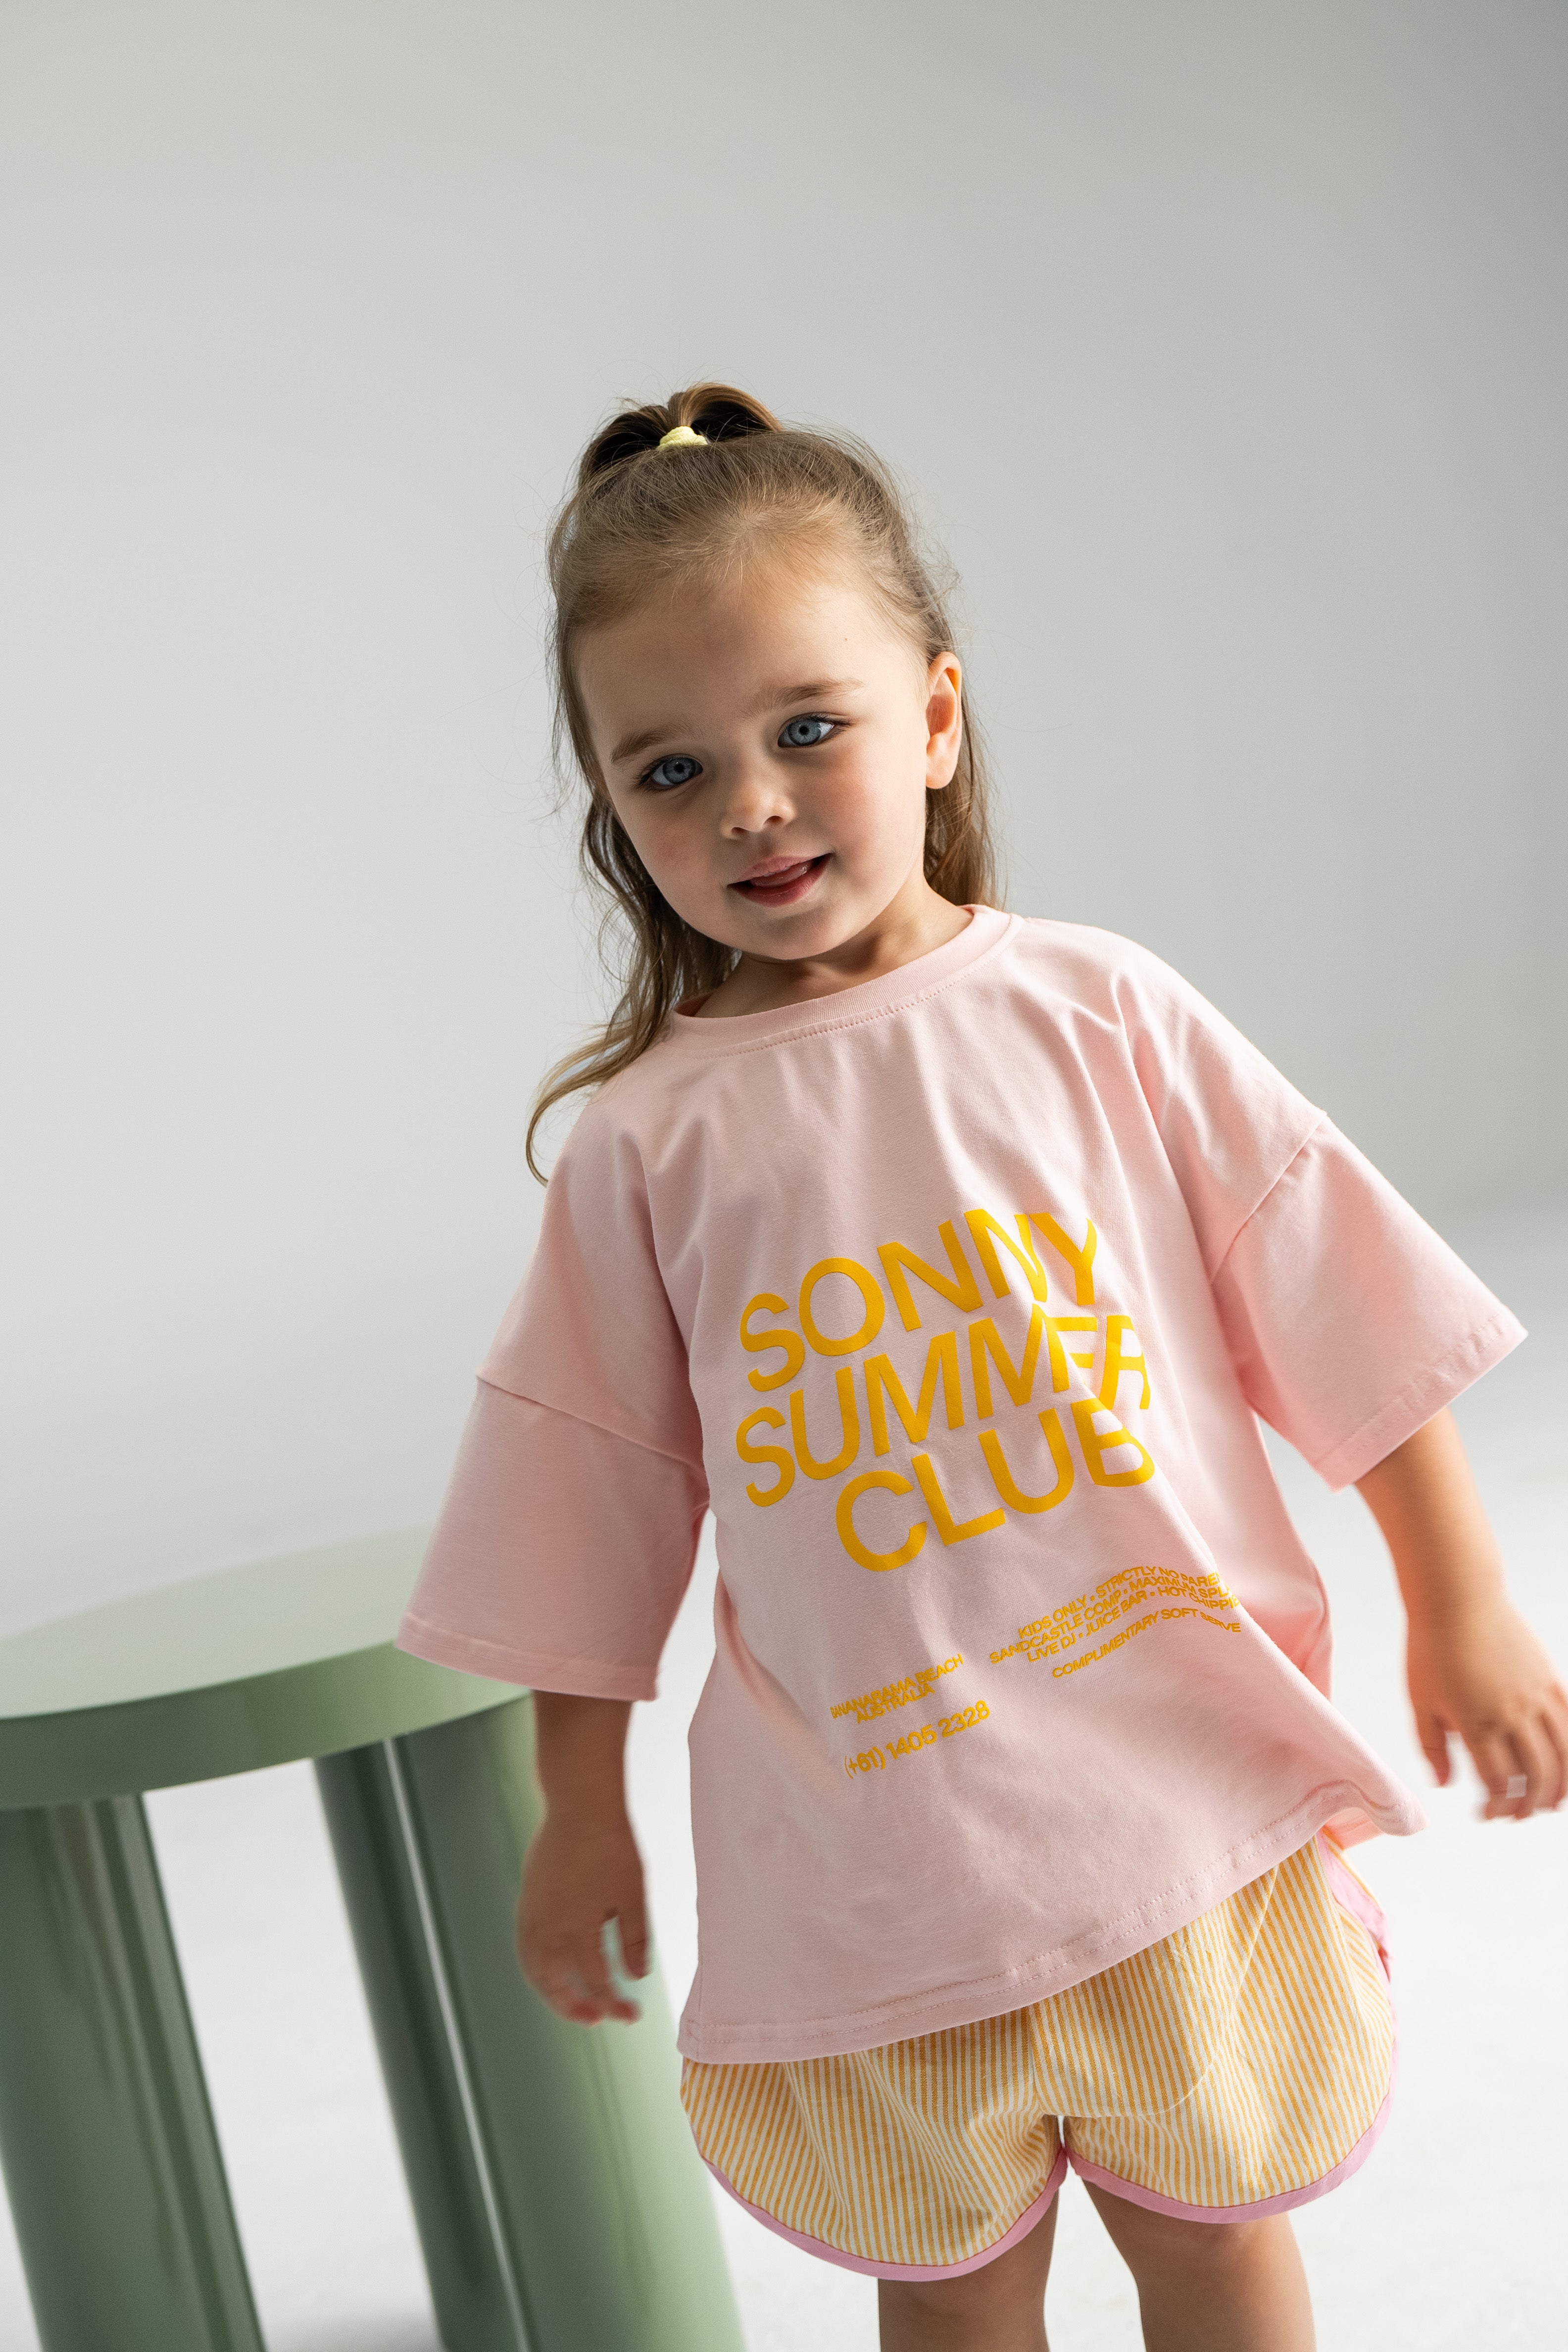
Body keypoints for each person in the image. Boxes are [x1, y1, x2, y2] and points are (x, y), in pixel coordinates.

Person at [395, 385, 1567, 2352]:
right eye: (671, 771)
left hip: (1165, 1803)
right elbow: (585, 1491)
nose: (749, 804)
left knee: (1209, 2236)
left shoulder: (1098, 1009)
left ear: (933, 720)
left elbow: (1344, 1301)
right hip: (874, 1854)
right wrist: (575, 1804)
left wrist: (1464, 1606)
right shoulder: (647, 1146)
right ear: (616, 813)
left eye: (807, 730)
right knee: (947, 2285)